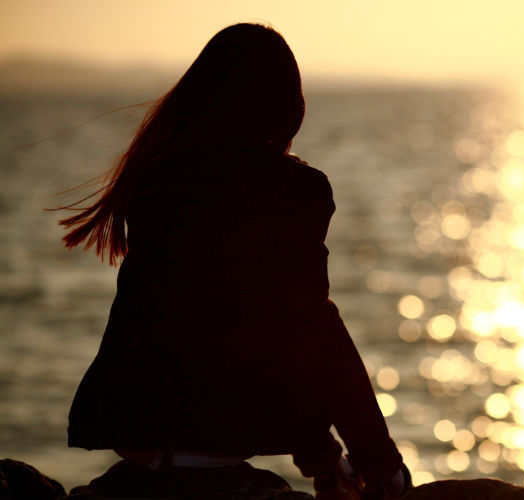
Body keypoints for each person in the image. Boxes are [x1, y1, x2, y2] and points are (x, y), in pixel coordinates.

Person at [58, 23, 410, 500]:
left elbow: (201, 319)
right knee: (317, 320)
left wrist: (321, 454)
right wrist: (356, 461)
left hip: (133, 427)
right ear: (288, 107)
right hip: (220, 435)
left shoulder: (157, 180)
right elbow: (299, 329)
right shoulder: (297, 191)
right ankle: (386, 477)